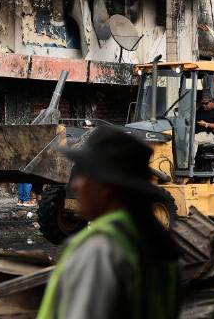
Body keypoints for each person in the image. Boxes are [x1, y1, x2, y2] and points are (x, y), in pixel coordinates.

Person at [37, 125, 180, 319]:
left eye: (84, 176)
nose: (76, 185)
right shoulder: (159, 243)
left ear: (106, 187)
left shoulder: (99, 249)